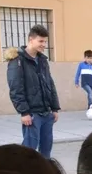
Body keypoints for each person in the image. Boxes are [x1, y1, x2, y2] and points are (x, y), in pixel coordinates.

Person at [5, 24, 60, 159]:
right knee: (28, 151)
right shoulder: (17, 61)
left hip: (46, 112)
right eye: (41, 41)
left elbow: (50, 83)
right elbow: (16, 89)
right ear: (31, 40)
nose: (44, 45)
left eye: (45, 42)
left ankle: (44, 171)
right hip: (32, 114)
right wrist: (24, 112)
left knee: (46, 150)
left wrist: (54, 108)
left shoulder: (42, 60)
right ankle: (22, 171)